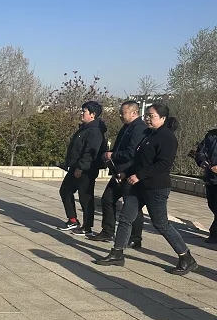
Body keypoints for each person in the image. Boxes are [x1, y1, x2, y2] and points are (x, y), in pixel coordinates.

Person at [96, 104, 197, 274]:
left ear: (163, 118)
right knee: (126, 218)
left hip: (155, 187)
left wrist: (139, 175)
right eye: (147, 115)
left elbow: (163, 164)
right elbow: (138, 161)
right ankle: (117, 253)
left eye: (152, 116)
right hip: (138, 186)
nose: (148, 119)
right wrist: (126, 173)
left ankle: (186, 257)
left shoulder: (167, 137)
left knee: (161, 223)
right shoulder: (148, 134)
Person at [89, 101, 146, 245]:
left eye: (123, 112)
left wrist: (113, 155)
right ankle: (107, 231)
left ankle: (135, 238)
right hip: (117, 172)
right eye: (120, 112)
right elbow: (119, 148)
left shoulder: (139, 129)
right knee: (107, 200)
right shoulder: (126, 127)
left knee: (132, 206)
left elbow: (131, 153)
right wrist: (109, 155)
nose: (120, 115)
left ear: (134, 113)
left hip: (129, 172)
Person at [58, 101, 106, 236]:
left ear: (93, 114)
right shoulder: (84, 128)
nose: (81, 113)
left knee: (85, 197)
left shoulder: (95, 131)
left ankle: (87, 227)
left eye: (84, 111)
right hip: (75, 167)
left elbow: (90, 152)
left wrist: (81, 167)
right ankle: (73, 220)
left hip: (86, 169)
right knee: (65, 191)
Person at [194, 126, 217, 244]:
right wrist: (202, 161)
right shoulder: (211, 135)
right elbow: (200, 151)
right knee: (212, 205)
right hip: (211, 179)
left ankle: (214, 234)